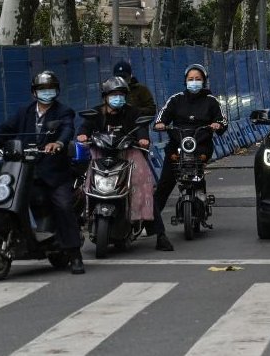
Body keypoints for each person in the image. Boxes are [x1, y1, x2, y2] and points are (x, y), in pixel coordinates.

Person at [0, 71, 84, 274]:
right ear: (34, 92)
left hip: (54, 172)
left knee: (62, 205)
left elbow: (67, 130)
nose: (47, 92)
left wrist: (58, 143)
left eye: (50, 88)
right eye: (42, 89)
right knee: (5, 198)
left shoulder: (64, 112)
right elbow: (6, 129)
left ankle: (74, 254)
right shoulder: (24, 112)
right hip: (26, 171)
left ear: (57, 90)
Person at [151, 64, 228, 251]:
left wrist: (217, 125)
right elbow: (160, 119)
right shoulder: (176, 100)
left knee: (197, 172)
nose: (194, 82)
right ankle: (151, 224)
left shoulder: (211, 101)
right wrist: (161, 124)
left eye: (197, 79)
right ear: (185, 81)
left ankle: (200, 197)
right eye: (190, 79)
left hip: (200, 145)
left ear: (204, 80)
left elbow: (223, 120)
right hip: (177, 146)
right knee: (165, 183)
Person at [76, 77, 155, 225]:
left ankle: (158, 232)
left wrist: (143, 139)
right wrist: (83, 134)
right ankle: (84, 215)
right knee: (83, 181)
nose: (117, 98)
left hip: (128, 154)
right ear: (105, 97)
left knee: (142, 180)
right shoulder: (96, 112)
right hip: (100, 154)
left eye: (121, 95)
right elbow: (85, 126)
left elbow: (141, 128)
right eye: (113, 95)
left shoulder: (133, 112)